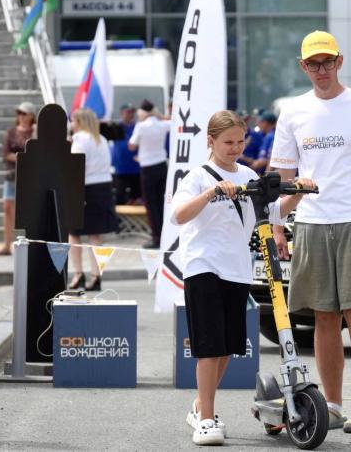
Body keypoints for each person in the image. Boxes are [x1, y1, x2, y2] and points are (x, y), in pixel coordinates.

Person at [269, 30, 351, 433]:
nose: (321, 70)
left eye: (327, 62)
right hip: (311, 223)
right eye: (313, 64)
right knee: (323, 318)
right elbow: (282, 177)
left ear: (339, 62)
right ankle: (332, 405)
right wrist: (278, 226)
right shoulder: (293, 111)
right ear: (303, 66)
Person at [171, 110, 315, 446]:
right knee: (209, 348)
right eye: (228, 142)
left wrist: (299, 192)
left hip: (236, 269)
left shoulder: (249, 174)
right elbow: (178, 215)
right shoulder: (197, 177)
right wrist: (211, 193)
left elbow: (274, 212)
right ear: (211, 141)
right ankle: (206, 419)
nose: (236, 148)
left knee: (226, 348)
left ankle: (200, 406)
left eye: (240, 141)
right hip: (203, 266)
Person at [0, 101, 36, 256]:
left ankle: (33, 243)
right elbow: (5, 154)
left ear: (31, 115)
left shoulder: (35, 131)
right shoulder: (11, 132)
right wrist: (24, 158)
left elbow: (37, 151)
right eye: (19, 113)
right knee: (7, 208)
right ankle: (6, 244)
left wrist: (36, 131)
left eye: (24, 113)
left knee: (31, 210)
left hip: (30, 176)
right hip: (12, 175)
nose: (21, 116)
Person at [128, 99, 170, 249]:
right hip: (161, 165)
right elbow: (174, 121)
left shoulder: (141, 126)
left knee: (151, 203)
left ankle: (156, 237)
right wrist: (160, 116)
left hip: (147, 167)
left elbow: (132, 146)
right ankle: (165, 235)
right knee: (161, 202)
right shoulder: (163, 124)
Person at [111, 103, 142, 205]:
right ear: (121, 113)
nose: (130, 114)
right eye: (128, 112)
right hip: (121, 167)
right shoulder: (116, 127)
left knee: (136, 197)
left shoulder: (138, 127)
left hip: (136, 167)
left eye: (132, 112)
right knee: (120, 195)